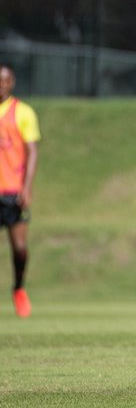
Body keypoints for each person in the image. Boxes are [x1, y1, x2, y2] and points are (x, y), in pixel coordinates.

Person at [0, 64, 40, 318]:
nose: (1, 84)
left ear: (12, 83)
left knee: (19, 247)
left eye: (5, 80)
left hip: (13, 191)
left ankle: (19, 289)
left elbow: (32, 150)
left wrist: (27, 187)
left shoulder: (23, 112)